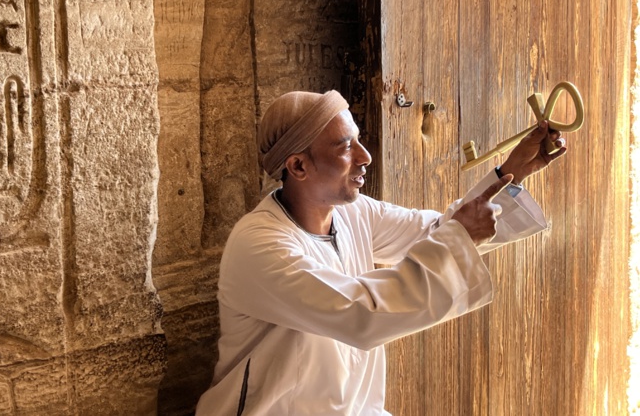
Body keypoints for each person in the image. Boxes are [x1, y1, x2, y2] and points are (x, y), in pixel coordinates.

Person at [195, 90, 566, 415]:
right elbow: (362, 314)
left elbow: (441, 232)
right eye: (344, 146)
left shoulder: (353, 212)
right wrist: (460, 237)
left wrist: (513, 171)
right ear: (298, 166)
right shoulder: (260, 245)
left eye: (358, 140)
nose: (365, 156)